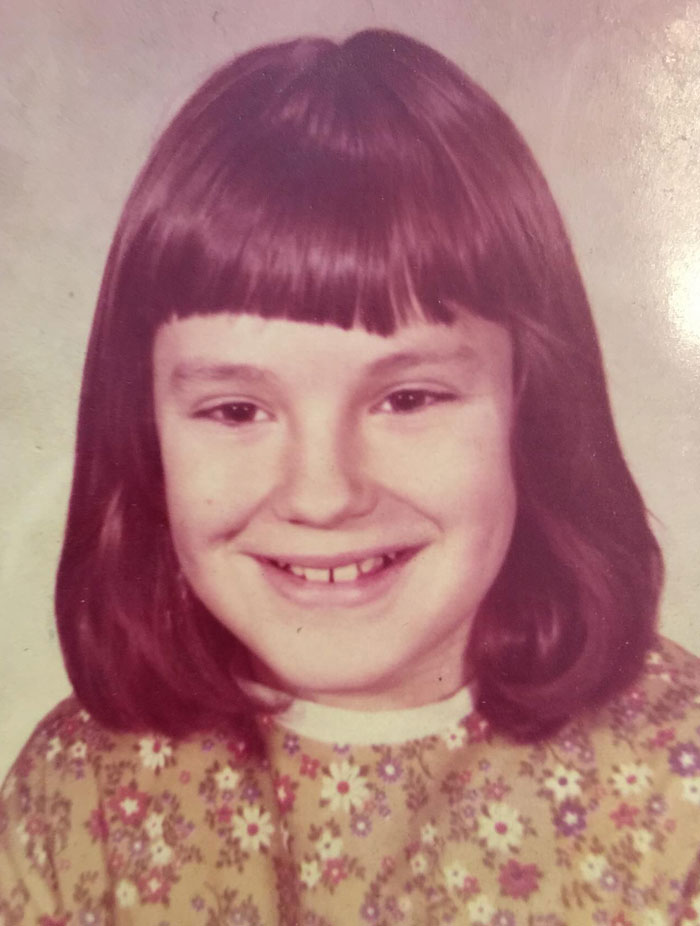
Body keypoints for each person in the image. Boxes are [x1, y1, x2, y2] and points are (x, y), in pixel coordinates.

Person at [0, 28, 698, 925]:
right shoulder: (78, 795)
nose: (323, 494)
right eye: (235, 411)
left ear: (530, 403)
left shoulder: (678, 785)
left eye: (407, 398)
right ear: (143, 434)